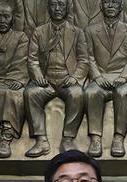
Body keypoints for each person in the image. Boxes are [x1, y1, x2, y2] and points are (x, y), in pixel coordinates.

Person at [24, 0, 88, 158]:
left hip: (67, 80)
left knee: (77, 94)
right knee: (30, 93)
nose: (57, 8)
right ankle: (41, 140)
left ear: (67, 8)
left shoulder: (77, 32)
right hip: (46, 81)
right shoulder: (39, 32)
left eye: (61, 4)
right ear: (48, 7)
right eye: (53, 4)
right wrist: (38, 76)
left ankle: (67, 139)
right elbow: (32, 59)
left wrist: (75, 77)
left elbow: (83, 60)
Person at [84, 0, 127, 157]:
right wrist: (97, 76)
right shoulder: (90, 30)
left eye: (114, 2)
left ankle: (118, 137)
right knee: (91, 93)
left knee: (123, 93)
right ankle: (95, 138)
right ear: (101, 6)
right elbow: (88, 57)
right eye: (107, 2)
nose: (110, 6)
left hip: (122, 77)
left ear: (121, 7)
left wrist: (124, 77)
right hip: (100, 76)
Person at [0, 1, 29, 159]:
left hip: (10, 80)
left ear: (13, 18)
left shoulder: (21, 37)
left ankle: (6, 136)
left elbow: (21, 61)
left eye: (6, 16)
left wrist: (17, 79)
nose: (2, 20)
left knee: (15, 95)